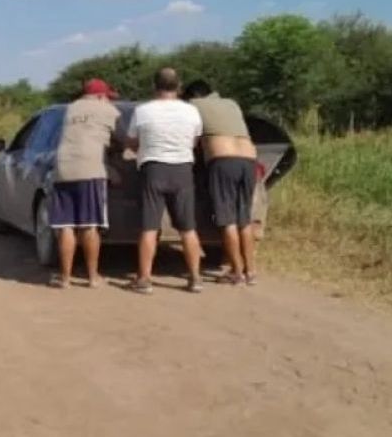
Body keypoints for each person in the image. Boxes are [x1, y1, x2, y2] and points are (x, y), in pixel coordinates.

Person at [126, 68, 203, 294]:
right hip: (182, 169)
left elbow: (131, 142)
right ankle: (195, 278)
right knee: (188, 228)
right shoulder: (191, 111)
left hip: (153, 169)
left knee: (149, 227)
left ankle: (144, 279)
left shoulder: (142, 111)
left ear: (154, 86)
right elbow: (195, 141)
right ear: (179, 87)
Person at [51, 78, 127, 289]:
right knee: (89, 225)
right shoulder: (108, 110)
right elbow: (123, 138)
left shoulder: (71, 109)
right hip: (90, 170)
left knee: (66, 226)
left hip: (63, 169)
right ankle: (93, 277)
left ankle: (65, 278)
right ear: (102, 96)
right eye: (108, 98)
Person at [184, 79, 259, 286]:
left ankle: (236, 271)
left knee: (228, 220)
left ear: (192, 96)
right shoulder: (231, 103)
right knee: (244, 219)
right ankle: (251, 271)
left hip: (223, 160)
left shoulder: (193, 106)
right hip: (250, 159)